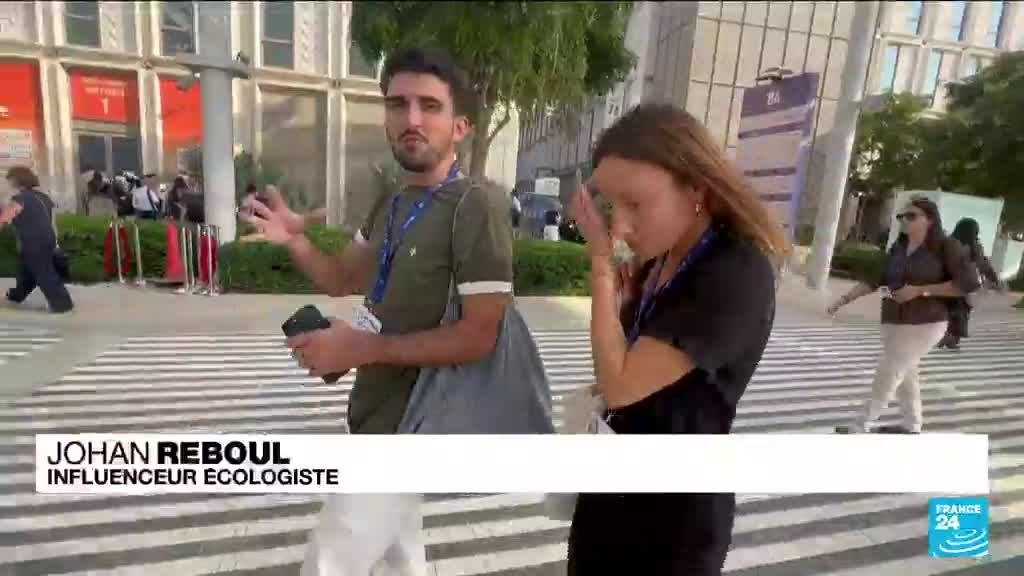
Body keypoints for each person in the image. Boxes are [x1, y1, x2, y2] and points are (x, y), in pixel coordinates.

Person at [242, 46, 514, 575]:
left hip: (414, 428)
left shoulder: (476, 207)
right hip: (375, 411)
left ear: (459, 127)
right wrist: (295, 240)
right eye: (398, 104)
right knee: (402, 560)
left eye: (429, 106)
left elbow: (481, 336)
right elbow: (343, 277)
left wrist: (364, 347)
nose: (412, 119)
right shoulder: (391, 202)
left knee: (330, 562)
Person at [568, 103, 787, 575]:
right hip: (612, 490)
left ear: (696, 188)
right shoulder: (660, 257)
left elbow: (621, 384)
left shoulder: (733, 270)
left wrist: (601, 266)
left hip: (672, 516)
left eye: (635, 204)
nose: (618, 226)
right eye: (610, 205)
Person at [830, 197, 980, 434]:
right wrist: (843, 300)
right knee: (906, 373)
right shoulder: (898, 248)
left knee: (889, 372)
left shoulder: (945, 246)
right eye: (902, 216)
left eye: (911, 216)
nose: (904, 221)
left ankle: (860, 426)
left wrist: (921, 290)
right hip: (893, 321)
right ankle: (912, 424)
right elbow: (877, 278)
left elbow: (968, 283)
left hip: (926, 322)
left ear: (930, 220)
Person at [0, 166, 73, 314]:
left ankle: (62, 304)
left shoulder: (19, 199)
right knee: (28, 272)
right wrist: (55, 243)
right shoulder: (44, 197)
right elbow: (52, 222)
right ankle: (15, 296)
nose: (7, 184)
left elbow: (4, 219)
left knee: (43, 272)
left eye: (9, 180)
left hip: (32, 242)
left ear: (16, 181)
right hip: (47, 239)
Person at [940, 217, 1004, 349]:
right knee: (961, 310)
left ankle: (945, 334)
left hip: (945, 281)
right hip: (963, 283)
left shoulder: (947, 243)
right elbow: (984, 265)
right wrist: (994, 279)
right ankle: (951, 337)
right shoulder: (974, 248)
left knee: (948, 309)